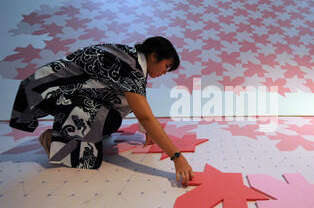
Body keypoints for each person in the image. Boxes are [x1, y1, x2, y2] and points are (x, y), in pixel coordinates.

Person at [9, 36, 194, 185]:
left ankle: (77, 131)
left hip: (54, 88)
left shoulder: (130, 58)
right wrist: (177, 157)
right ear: (154, 56)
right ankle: (54, 138)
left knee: (110, 115)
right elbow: (144, 115)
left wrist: (147, 130)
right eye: (166, 66)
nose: (164, 72)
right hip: (48, 89)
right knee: (110, 119)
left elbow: (134, 101)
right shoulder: (130, 68)